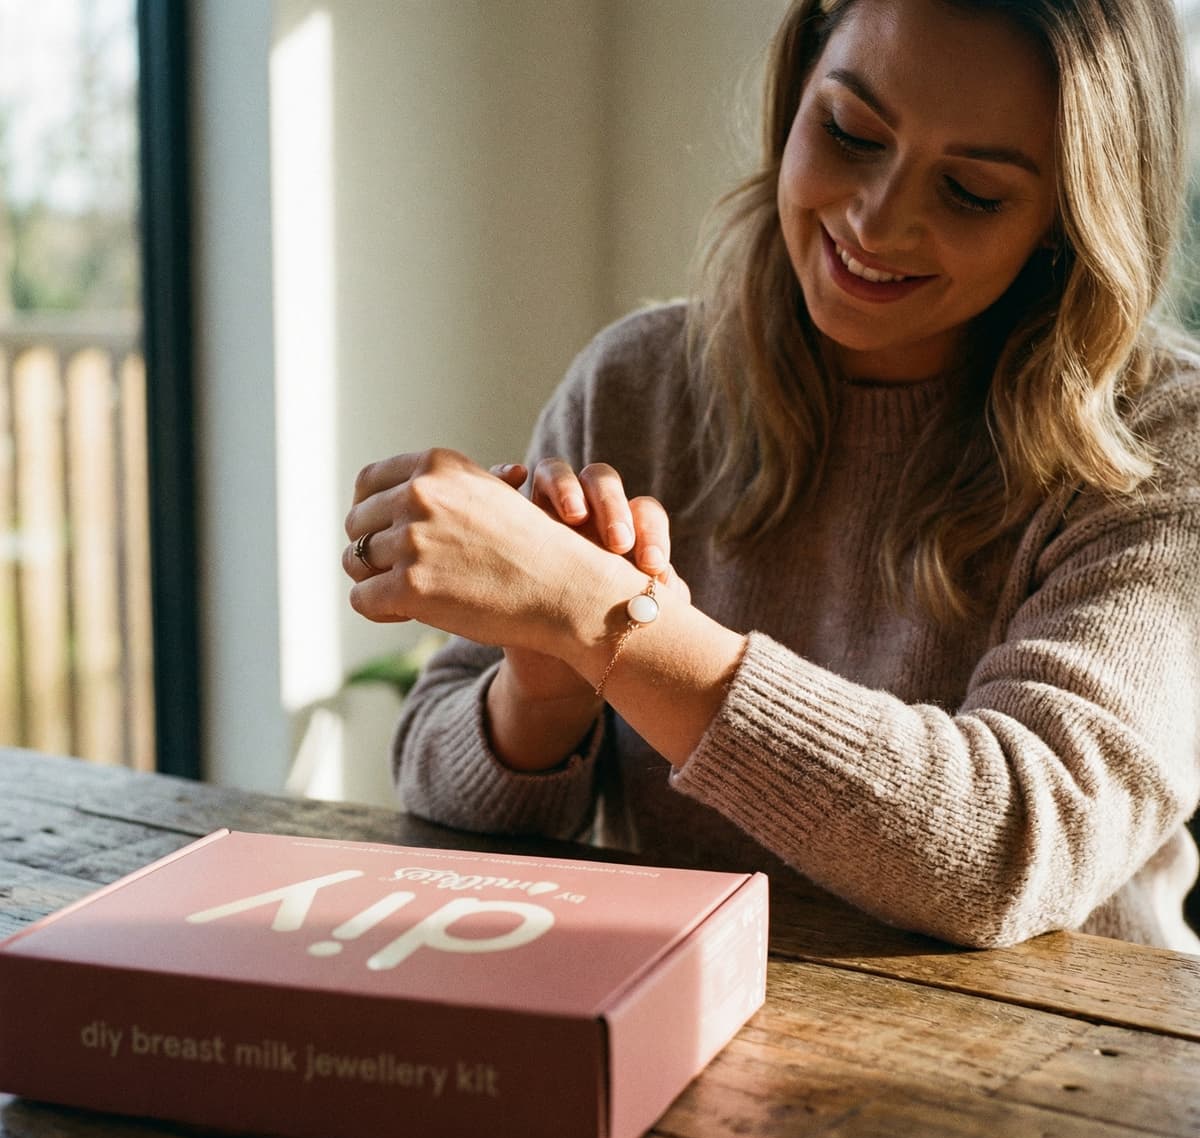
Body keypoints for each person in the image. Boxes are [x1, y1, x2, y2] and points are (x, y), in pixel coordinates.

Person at [343, 0, 1200, 952]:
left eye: (971, 192)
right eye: (850, 133)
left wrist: (610, 622)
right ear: (798, 88)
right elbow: (440, 794)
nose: (878, 220)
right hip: (682, 1037)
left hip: (1066, 1075)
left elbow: (1014, 845)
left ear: (1065, 218)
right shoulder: (638, 382)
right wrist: (545, 683)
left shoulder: (1166, 443)